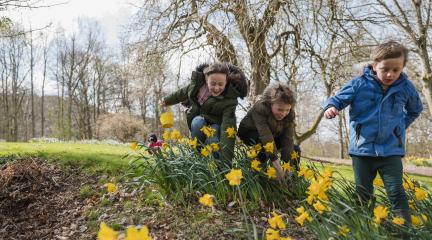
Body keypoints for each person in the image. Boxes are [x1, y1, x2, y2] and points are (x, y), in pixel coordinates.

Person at [323, 40, 423, 224]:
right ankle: (365, 227)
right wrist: (330, 108)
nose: (390, 74)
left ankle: (405, 230)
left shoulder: (406, 88)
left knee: (396, 191)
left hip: (391, 151)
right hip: (362, 151)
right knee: (363, 193)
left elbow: (415, 110)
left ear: (403, 67)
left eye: (396, 69)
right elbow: (337, 100)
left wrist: (399, 128)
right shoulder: (359, 84)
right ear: (375, 65)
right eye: (385, 68)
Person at [162, 62, 248, 162]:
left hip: (216, 123)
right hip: (198, 119)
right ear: (206, 79)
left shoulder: (230, 100)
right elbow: (182, 93)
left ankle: (217, 165)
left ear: (226, 81)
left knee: (214, 138)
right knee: (198, 122)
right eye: (213, 84)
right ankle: (198, 158)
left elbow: (228, 127)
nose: (216, 88)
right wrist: (167, 100)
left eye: (221, 84)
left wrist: (226, 164)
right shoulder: (199, 86)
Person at [237, 83, 300, 182]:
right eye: (280, 109)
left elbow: (288, 140)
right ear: (270, 103)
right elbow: (265, 136)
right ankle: (260, 179)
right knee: (262, 148)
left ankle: (292, 182)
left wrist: (287, 166)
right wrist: (277, 166)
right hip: (250, 136)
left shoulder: (289, 115)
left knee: (295, 149)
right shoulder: (259, 109)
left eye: (287, 110)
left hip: (271, 137)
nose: (283, 113)